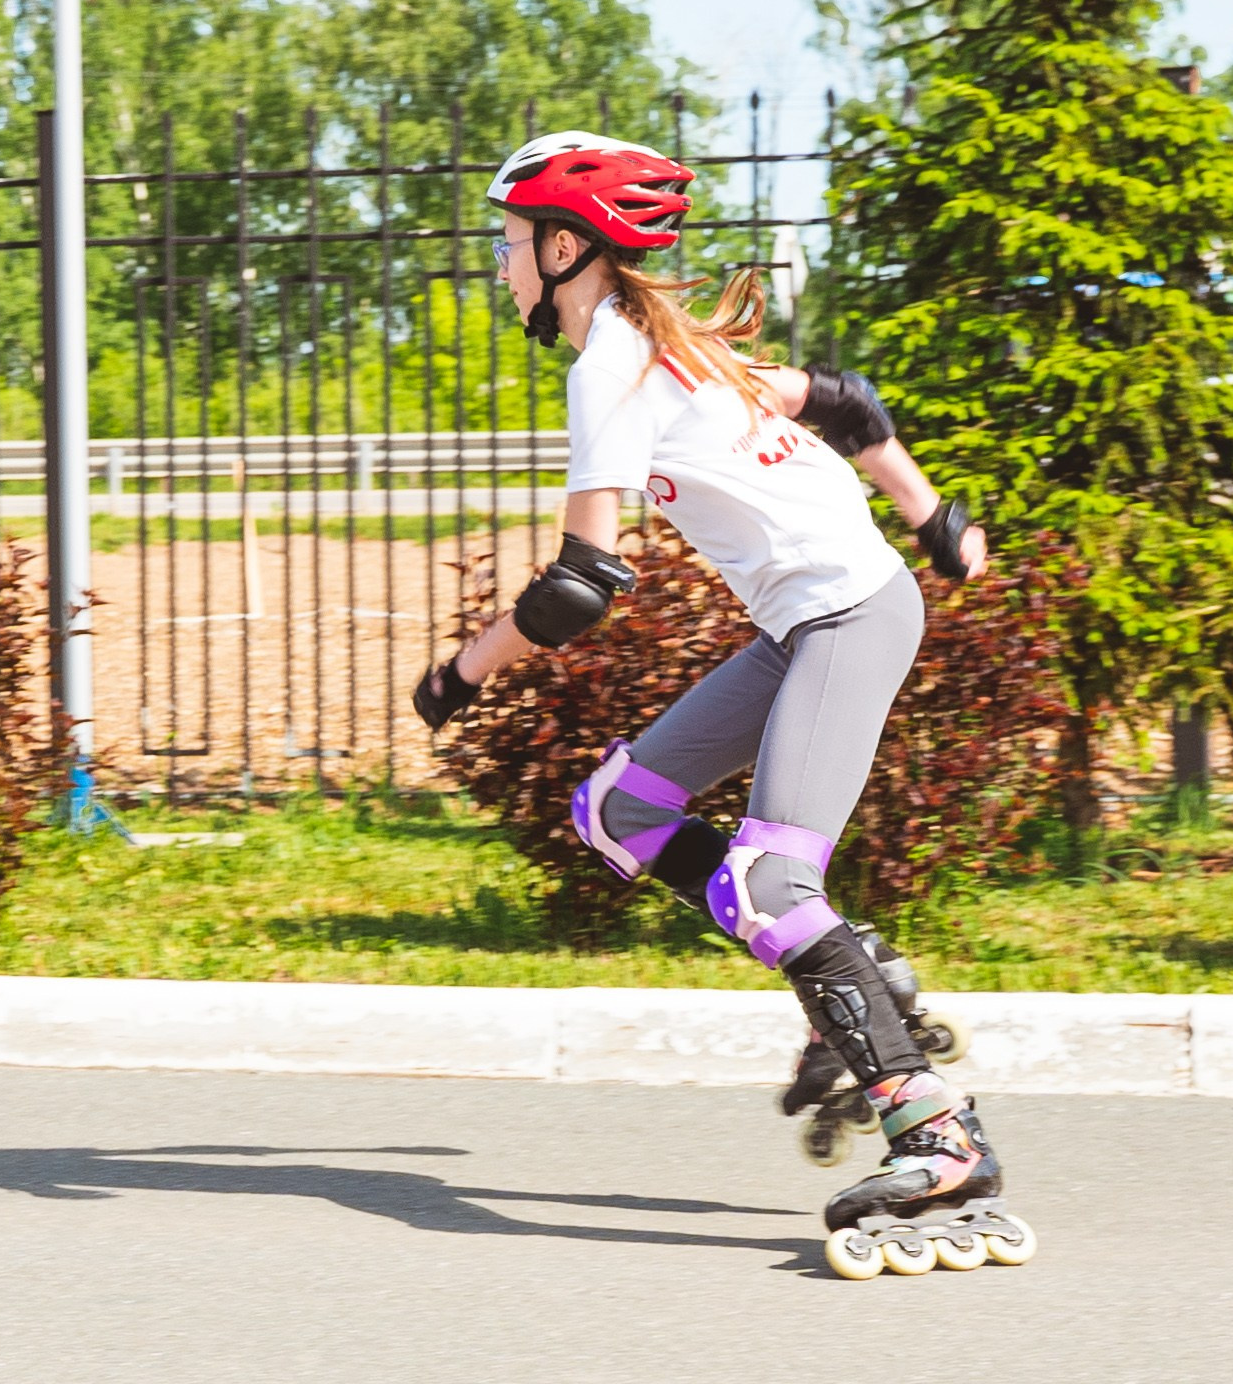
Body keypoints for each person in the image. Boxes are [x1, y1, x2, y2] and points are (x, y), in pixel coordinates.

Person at [409, 130, 1007, 1246]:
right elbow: (848, 400)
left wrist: (463, 669)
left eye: (508, 241)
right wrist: (933, 514)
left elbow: (582, 585)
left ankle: (936, 1135)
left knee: (770, 886)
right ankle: (858, 966)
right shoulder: (666, 343)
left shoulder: (615, 365)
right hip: (805, 625)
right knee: (619, 811)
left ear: (565, 245)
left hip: (851, 616)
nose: (500, 264)